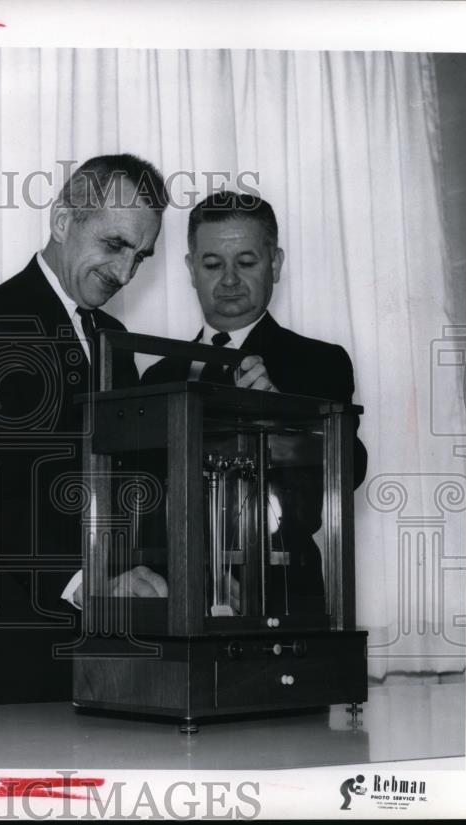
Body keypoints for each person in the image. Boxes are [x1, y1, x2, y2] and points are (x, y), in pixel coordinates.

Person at [0, 155, 169, 704]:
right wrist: (87, 585)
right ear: (63, 220)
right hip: (15, 643)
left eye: (140, 257)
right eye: (115, 245)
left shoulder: (115, 337)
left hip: (111, 640)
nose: (124, 273)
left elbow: (131, 481)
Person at [142, 190, 367, 613]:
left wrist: (286, 416)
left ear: (275, 264)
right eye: (212, 264)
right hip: (174, 602)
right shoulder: (158, 376)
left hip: (282, 597)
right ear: (191, 269)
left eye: (246, 263)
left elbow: (349, 471)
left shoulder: (319, 363)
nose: (228, 280)